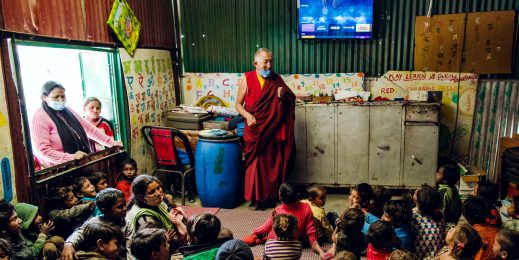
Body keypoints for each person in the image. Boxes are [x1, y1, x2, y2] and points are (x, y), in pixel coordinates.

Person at [235, 48, 296, 209]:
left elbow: (290, 100)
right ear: (256, 63)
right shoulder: (247, 79)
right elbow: (238, 105)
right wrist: (247, 116)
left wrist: (283, 97)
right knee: (256, 165)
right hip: (255, 131)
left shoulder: (277, 80)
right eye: (266, 62)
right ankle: (256, 199)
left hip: (272, 130)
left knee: (274, 165)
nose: (269, 65)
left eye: (271, 61)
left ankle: (275, 196)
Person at [31, 81, 122, 167]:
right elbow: (43, 150)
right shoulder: (40, 117)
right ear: (44, 97)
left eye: (63, 96)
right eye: (56, 97)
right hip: (58, 169)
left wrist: (111, 143)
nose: (60, 100)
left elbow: (88, 128)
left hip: (77, 163)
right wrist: (71, 157)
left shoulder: (66, 110)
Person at [242, 183, 326, 258]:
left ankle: (258, 237)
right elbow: (311, 232)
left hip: (273, 239)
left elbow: (266, 226)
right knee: (305, 237)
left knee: (265, 232)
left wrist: (255, 231)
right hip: (294, 239)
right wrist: (320, 251)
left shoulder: (278, 210)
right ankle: (259, 238)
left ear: (280, 198)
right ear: (298, 196)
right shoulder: (306, 208)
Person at [62, 188, 134, 260]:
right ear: (104, 210)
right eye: (120, 207)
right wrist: (69, 244)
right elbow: (79, 232)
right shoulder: (95, 222)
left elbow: (130, 250)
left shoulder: (127, 225)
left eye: (125, 204)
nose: (125, 208)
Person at [125, 175, 187, 251]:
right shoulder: (144, 218)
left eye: (158, 188)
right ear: (141, 197)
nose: (158, 193)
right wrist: (168, 240)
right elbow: (155, 246)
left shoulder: (158, 202)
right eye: (151, 192)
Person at [412, 184, 445, 258]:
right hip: (436, 256)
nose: (414, 191)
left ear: (420, 201)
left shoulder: (413, 216)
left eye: (415, 193)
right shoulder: (441, 214)